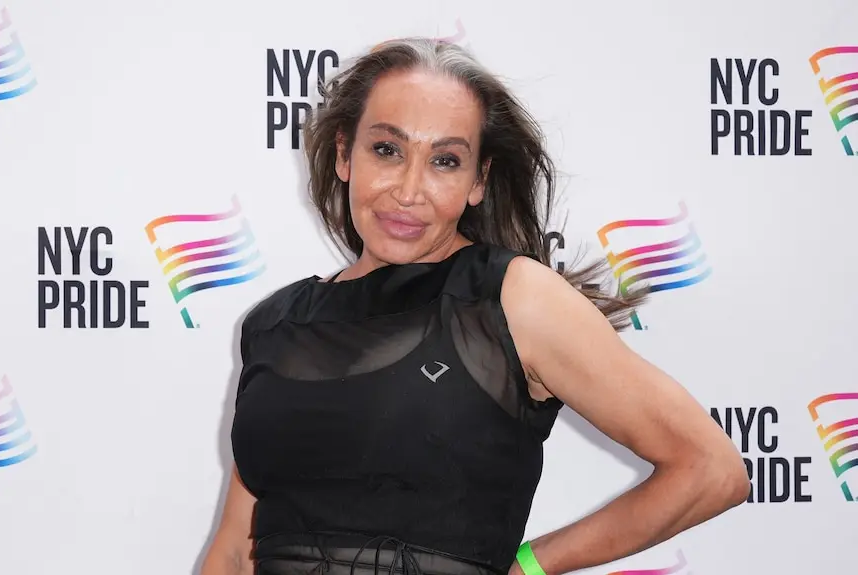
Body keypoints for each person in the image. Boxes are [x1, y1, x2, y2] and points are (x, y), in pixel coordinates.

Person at [200, 38, 749, 575]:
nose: (409, 190)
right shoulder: (276, 324)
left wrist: (532, 565)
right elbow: (232, 551)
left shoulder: (513, 298)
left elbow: (710, 470)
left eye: (444, 160)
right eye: (386, 150)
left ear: (477, 182)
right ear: (345, 154)